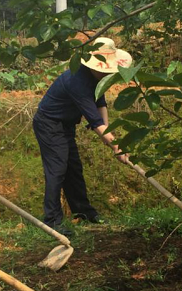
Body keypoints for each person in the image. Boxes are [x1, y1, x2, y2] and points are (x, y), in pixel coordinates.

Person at [32, 37, 132, 235]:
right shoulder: (77, 81)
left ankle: (84, 212)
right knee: (58, 169)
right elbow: (95, 121)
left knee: (74, 168)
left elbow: (100, 104)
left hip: (66, 125)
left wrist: (109, 135)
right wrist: (115, 146)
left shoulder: (95, 78)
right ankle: (52, 220)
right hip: (49, 124)